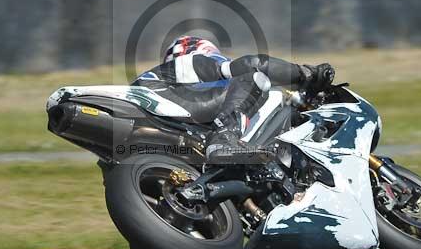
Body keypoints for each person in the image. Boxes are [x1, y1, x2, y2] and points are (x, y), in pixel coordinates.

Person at [133, 36, 334, 164]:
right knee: (255, 76)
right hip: (155, 100)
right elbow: (253, 63)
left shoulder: (178, 79)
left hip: (154, 128)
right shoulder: (195, 62)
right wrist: (306, 74)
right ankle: (223, 139)